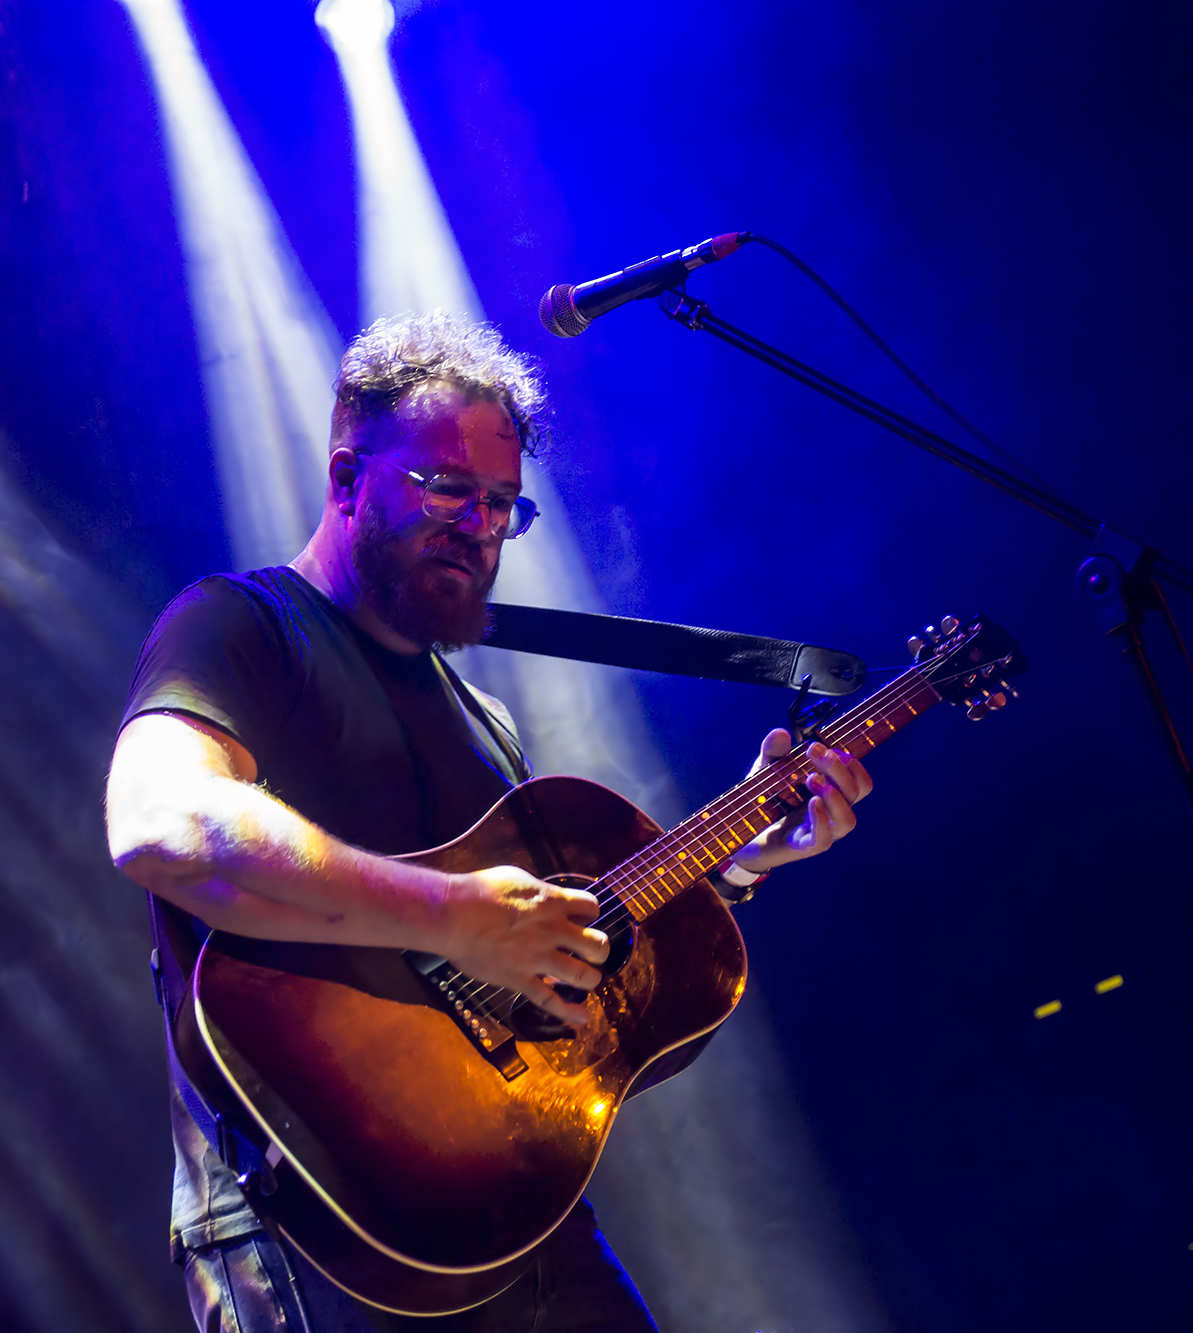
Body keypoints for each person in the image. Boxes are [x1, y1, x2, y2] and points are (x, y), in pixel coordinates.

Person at [105, 311, 872, 1331]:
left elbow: (555, 961)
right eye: (446, 489)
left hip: (517, 1223)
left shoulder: (484, 722)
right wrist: (452, 914)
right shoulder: (239, 625)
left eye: (503, 503)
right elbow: (157, 821)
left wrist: (737, 862)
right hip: (315, 1219)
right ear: (347, 477)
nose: (479, 525)